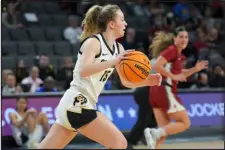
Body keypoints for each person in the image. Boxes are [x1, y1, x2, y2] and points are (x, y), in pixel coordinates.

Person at [37, 4, 161, 149]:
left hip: (81, 105)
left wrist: (147, 81)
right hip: (77, 103)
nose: (126, 23)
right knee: (119, 143)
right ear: (112, 24)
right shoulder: (93, 42)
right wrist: (114, 61)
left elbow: (126, 82)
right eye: (122, 19)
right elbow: (84, 70)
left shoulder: (118, 49)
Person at [144, 26, 208, 149]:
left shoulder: (175, 54)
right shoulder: (172, 50)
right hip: (165, 91)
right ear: (174, 38)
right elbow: (157, 66)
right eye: (181, 37)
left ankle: (155, 139)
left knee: (164, 130)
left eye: (186, 37)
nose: (184, 39)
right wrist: (173, 76)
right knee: (185, 123)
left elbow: (181, 74)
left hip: (156, 92)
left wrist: (195, 69)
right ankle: (153, 132)